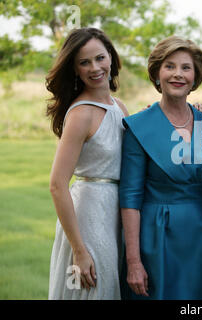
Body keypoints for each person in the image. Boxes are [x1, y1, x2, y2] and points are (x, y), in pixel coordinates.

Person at [119, 36, 202, 300]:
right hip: (157, 236)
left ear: (195, 76)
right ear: (157, 73)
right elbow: (130, 199)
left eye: (186, 68)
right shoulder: (139, 127)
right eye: (170, 66)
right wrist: (133, 261)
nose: (178, 74)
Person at [47, 28, 129, 299]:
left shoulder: (119, 106)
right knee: (92, 291)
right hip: (88, 218)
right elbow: (58, 185)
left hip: (117, 213)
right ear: (75, 69)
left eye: (100, 58)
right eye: (84, 62)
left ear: (111, 58)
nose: (95, 68)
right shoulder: (81, 114)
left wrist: (193, 110)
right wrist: (79, 251)